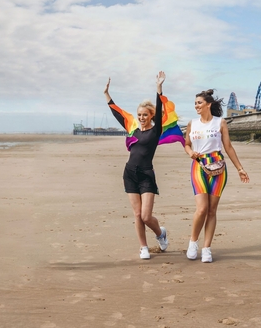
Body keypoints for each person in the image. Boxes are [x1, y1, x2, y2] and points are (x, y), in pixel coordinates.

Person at [104, 71, 184, 259]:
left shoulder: (155, 131)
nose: (141, 117)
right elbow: (117, 113)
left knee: (147, 216)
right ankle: (143, 247)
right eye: (139, 114)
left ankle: (160, 234)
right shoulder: (132, 128)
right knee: (138, 215)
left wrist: (159, 88)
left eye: (144, 115)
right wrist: (107, 95)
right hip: (130, 173)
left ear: (150, 116)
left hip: (147, 175)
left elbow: (159, 105)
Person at [184, 89, 250, 263]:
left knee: (212, 210)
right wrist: (190, 152)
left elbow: (228, 147)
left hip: (218, 166)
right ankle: (193, 242)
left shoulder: (220, 123)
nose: (196, 105)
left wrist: (240, 168)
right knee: (202, 209)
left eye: (199, 103)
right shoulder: (192, 124)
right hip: (199, 166)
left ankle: (206, 248)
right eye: (195, 103)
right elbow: (186, 144)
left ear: (208, 104)